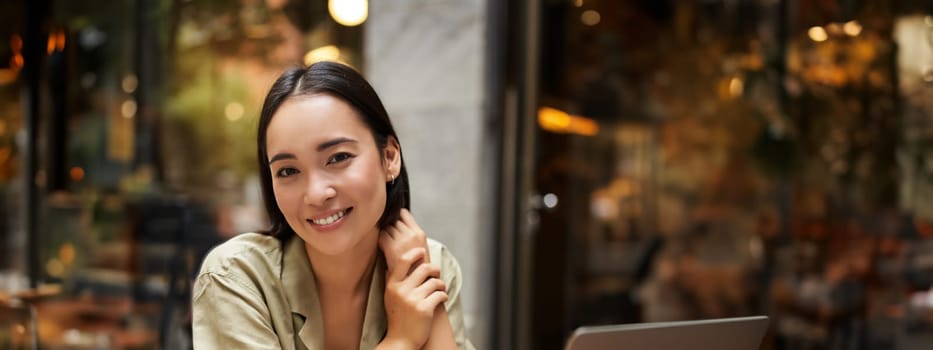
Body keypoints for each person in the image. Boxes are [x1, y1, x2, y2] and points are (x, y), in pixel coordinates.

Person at [192, 61, 474, 350]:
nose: (316, 194)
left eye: (338, 157)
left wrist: (422, 273)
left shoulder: (427, 264)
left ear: (389, 157)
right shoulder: (237, 277)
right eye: (288, 171)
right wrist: (401, 340)